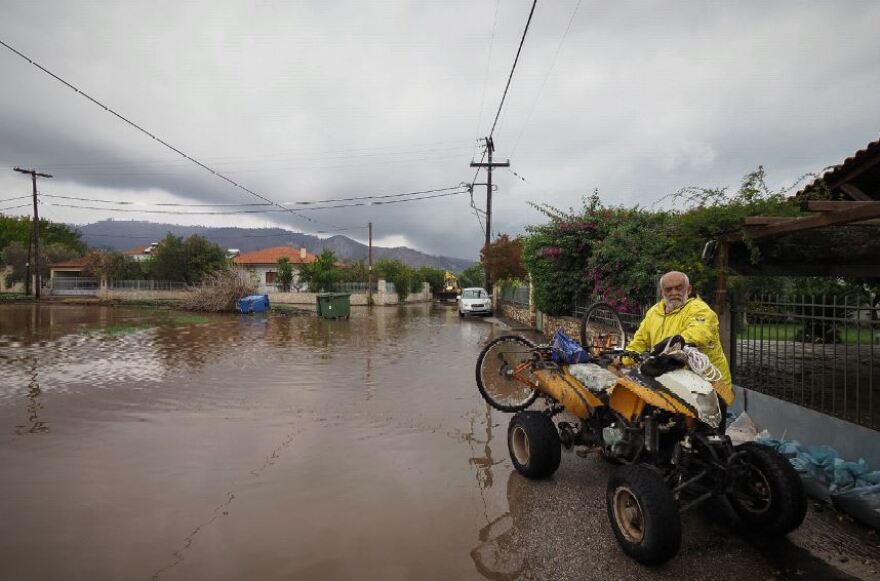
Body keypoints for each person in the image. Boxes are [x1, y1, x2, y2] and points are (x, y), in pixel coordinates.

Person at [625, 271, 734, 405]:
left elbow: (698, 333)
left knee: (704, 425)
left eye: (679, 287)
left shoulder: (700, 310)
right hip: (676, 382)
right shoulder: (654, 312)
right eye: (669, 289)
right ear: (662, 292)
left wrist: (673, 346)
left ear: (688, 289)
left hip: (712, 385)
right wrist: (623, 359)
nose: (674, 292)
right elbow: (638, 342)